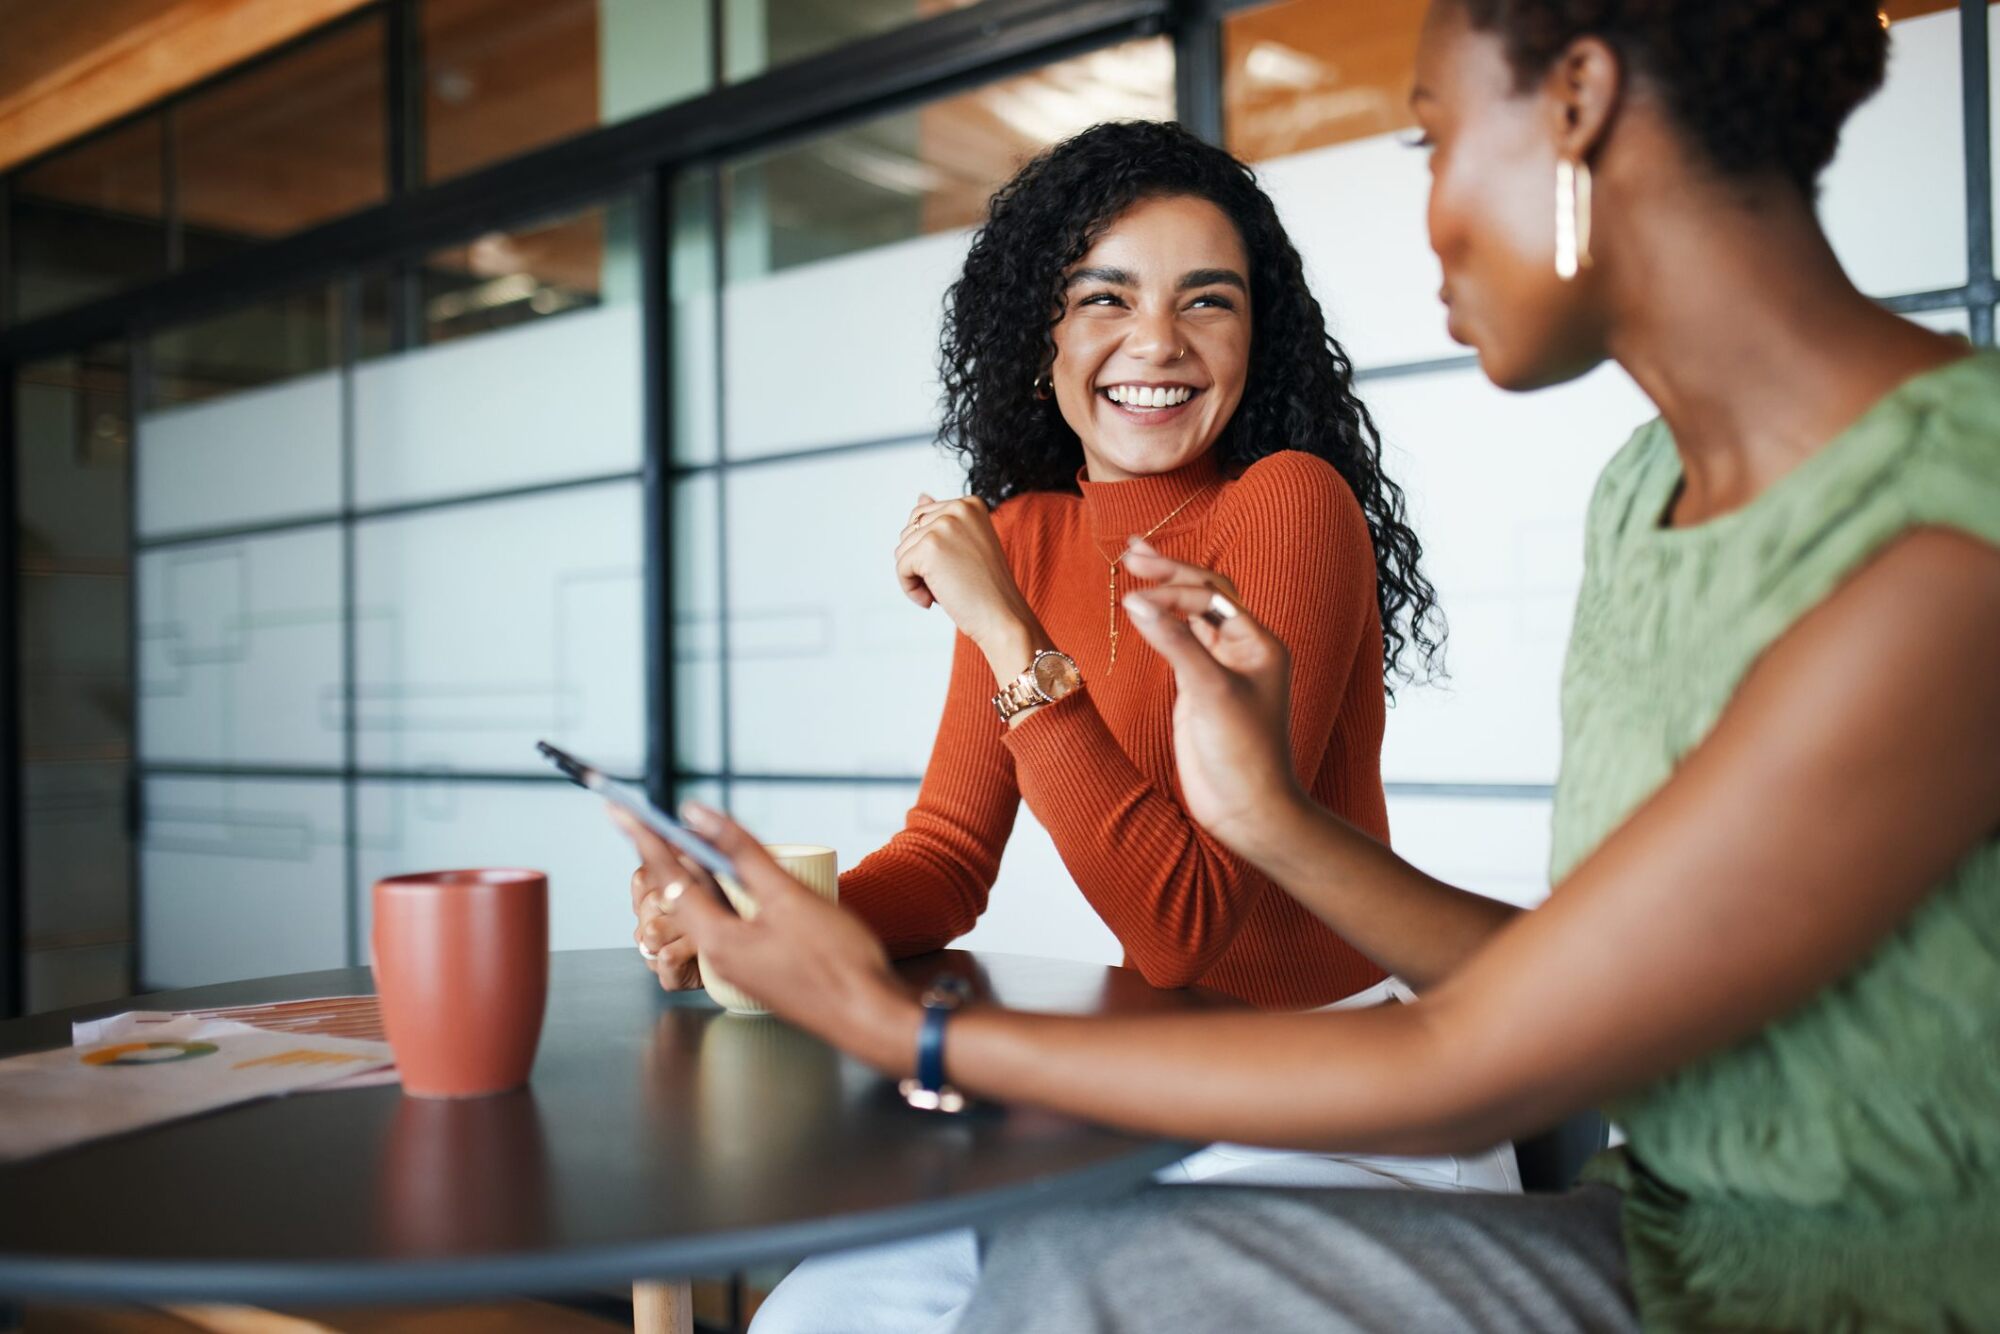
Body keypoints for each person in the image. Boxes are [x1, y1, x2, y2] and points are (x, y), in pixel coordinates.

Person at [618, 0, 2000, 1327]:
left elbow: (1475, 1054)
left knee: (1074, 1281)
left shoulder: (1945, 542)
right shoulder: (1646, 490)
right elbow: (1569, 978)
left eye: (1431, 141)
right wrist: (1262, 815)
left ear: (1577, 104)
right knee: (847, 1303)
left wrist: (904, 1033)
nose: (1427, 220)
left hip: (1844, 1284)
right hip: (1649, 1217)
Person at [632, 121, 1516, 1333]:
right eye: (1104, 297)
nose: (1156, 342)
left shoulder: (1289, 505)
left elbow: (1184, 926)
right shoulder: (1030, 537)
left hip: (1348, 1111)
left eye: (1207, 302)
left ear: (1255, 336)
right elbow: (946, 857)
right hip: (1156, 1085)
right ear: (1034, 330)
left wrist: (1003, 628)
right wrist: (768, 919)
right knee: (818, 1313)